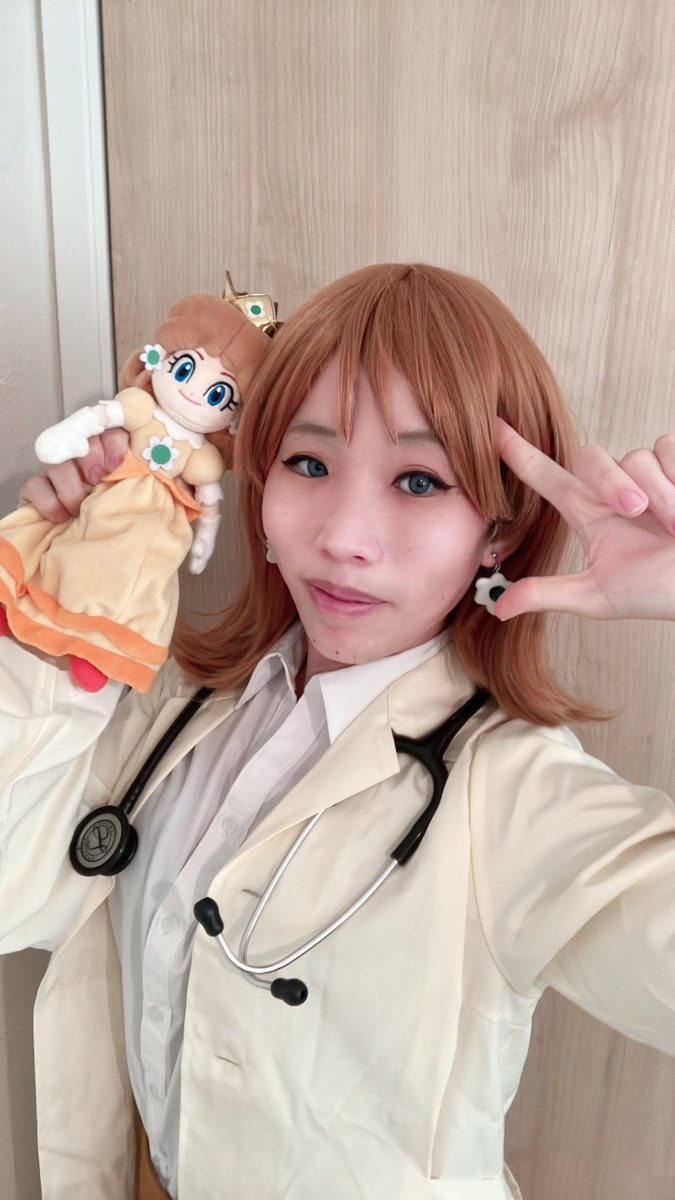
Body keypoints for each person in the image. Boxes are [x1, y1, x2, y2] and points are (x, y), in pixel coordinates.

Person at [0, 263, 673, 1200]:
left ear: (498, 533)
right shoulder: (180, 706)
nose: (344, 537)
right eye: (308, 464)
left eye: (418, 480)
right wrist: (63, 609)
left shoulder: (516, 790)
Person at [0, 293, 270, 691]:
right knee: (61, 546)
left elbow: (210, 500)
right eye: (185, 369)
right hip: (109, 493)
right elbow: (101, 415)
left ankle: (98, 652)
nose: (193, 394)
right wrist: (67, 436)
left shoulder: (201, 458)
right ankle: (15, 606)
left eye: (218, 395)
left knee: (123, 584)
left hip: (149, 531)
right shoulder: (139, 409)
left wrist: (204, 541)